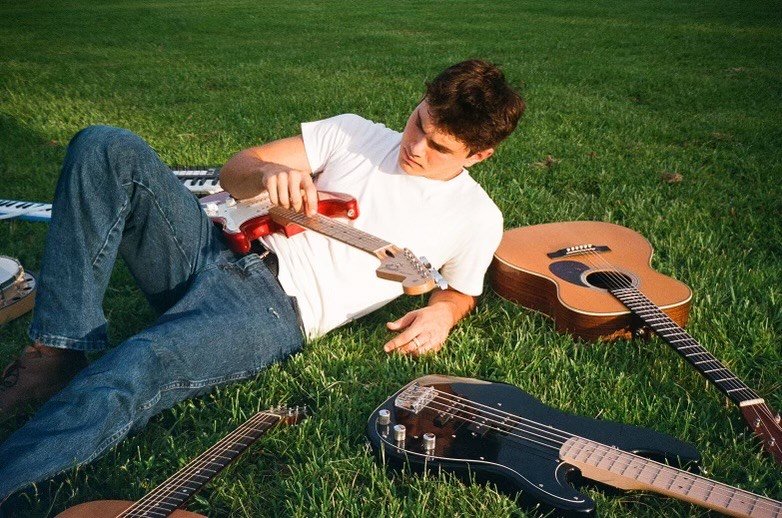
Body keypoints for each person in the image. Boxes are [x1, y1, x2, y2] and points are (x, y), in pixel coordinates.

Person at [0, 59, 525, 503]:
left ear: (479, 155)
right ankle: (55, 352)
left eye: (439, 147)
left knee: (136, 366)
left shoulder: (477, 217)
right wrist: (267, 175)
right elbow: (237, 169)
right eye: (419, 124)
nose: (416, 146)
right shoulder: (354, 133)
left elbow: (462, 291)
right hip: (210, 247)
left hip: (273, 309)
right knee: (105, 145)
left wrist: (441, 313)